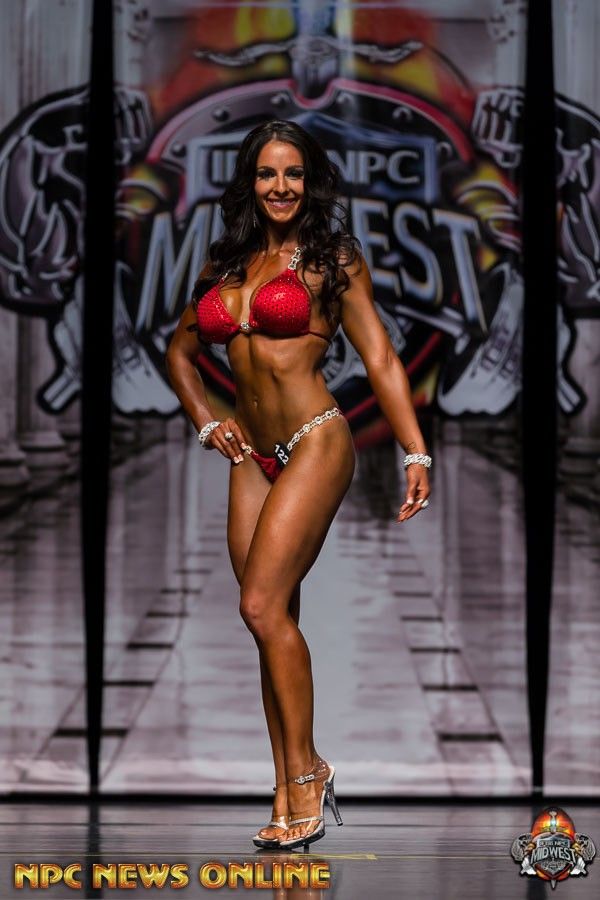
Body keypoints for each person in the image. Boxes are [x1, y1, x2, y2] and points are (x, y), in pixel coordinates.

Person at [166, 120, 431, 851]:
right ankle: (286, 790)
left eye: (293, 174)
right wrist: (206, 421)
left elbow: (380, 359)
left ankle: (309, 772)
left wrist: (415, 452)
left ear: (310, 182)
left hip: (315, 439)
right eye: (266, 174)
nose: (279, 187)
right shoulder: (228, 262)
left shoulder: (331, 260)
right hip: (251, 455)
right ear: (249, 182)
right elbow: (180, 351)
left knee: (259, 603)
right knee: (268, 619)